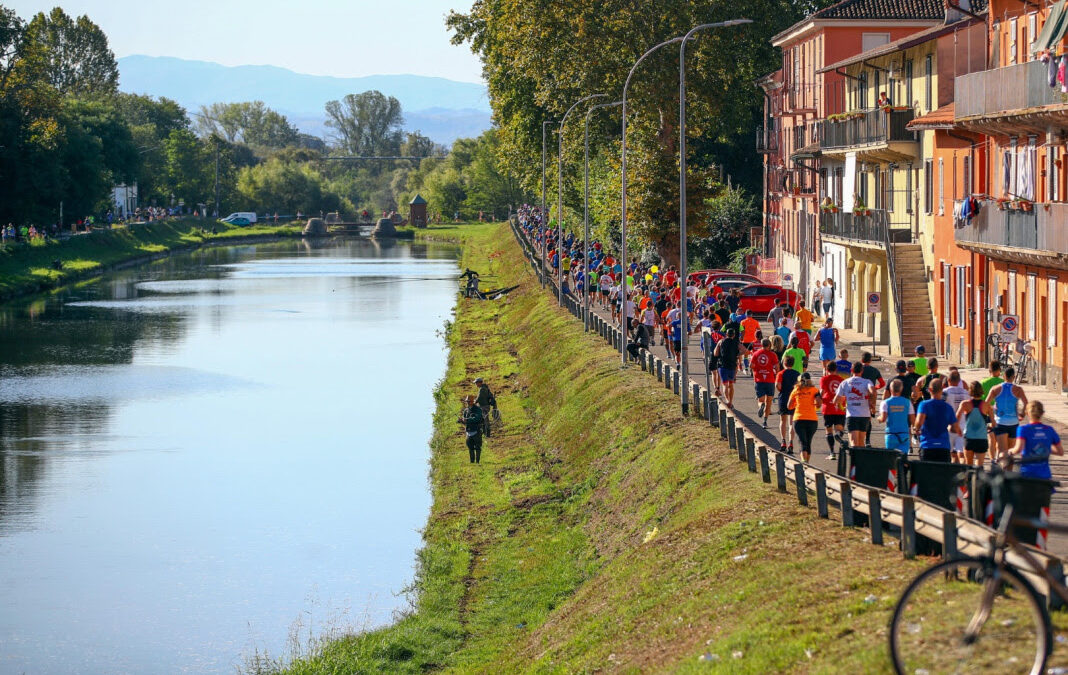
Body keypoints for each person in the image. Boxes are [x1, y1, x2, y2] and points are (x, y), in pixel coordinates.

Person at [1008, 401, 1063, 480]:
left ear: (1027, 413)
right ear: (1042, 413)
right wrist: (1045, 447)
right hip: (1045, 476)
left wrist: (1009, 451)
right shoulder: (1049, 430)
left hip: (1028, 474)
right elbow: (1060, 452)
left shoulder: (1023, 429)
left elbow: (1018, 449)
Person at [913, 379, 960, 463]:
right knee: (942, 474)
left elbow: (919, 422)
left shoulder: (924, 405)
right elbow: (955, 428)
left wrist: (915, 429)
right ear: (942, 390)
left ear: (929, 390)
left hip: (927, 446)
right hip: (943, 447)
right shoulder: (948, 407)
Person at [986, 367, 1028, 461]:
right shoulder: (1018, 389)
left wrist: (992, 415)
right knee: (1009, 452)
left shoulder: (995, 389)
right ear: (1014, 377)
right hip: (1013, 422)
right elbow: (1026, 403)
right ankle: (1008, 472)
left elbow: (986, 404)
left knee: (1002, 451)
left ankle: (1001, 471)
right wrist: (1022, 414)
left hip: (1000, 422)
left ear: (1004, 376)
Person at [835, 362, 875, 449]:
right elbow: (873, 391)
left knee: (854, 443)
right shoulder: (867, 382)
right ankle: (861, 462)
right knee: (861, 443)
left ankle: (854, 462)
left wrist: (841, 404)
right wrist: (872, 404)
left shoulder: (845, 382)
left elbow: (836, 399)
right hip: (864, 415)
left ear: (851, 370)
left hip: (852, 415)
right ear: (862, 371)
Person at [957, 381, 993, 467]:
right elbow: (993, 423)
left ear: (970, 391)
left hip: (969, 438)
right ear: (981, 391)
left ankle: (969, 479)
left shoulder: (965, 404)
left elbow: (956, 419)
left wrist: (958, 430)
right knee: (979, 466)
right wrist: (988, 427)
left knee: (968, 465)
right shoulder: (986, 405)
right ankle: (977, 479)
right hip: (981, 438)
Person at [788, 373, 821, 461]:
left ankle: (804, 463)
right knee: (808, 442)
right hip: (812, 419)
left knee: (802, 441)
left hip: (799, 419)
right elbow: (819, 403)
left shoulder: (796, 390)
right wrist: (815, 405)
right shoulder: (815, 390)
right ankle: (807, 463)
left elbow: (789, 406)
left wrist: (796, 403)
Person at [878, 379, 915, 453]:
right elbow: (913, 420)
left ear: (890, 389)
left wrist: (878, 418)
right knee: (903, 459)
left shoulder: (885, 403)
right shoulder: (907, 402)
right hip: (904, 434)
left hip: (891, 435)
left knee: (891, 460)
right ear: (901, 389)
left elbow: (883, 419)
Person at [750, 338, 779, 428]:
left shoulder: (756, 354)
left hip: (759, 379)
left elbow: (751, 365)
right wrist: (776, 374)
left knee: (760, 400)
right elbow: (777, 367)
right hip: (769, 380)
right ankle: (765, 421)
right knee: (769, 402)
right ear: (770, 345)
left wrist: (756, 369)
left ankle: (761, 405)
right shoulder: (772, 354)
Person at [820, 361, 846, 460]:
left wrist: (818, 400)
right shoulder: (841, 380)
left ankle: (832, 452)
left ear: (827, 370)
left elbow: (822, 392)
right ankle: (838, 436)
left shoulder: (824, 379)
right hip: (839, 407)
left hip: (827, 407)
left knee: (828, 430)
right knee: (839, 428)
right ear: (836, 369)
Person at [942, 371, 970, 463]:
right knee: (960, 454)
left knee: (950, 454)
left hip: (948, 426)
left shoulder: (945, 393)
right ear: (959, 381)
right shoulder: (966, 393)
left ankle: (952, 472)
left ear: (948, 380)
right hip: (962, 426)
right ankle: (962, 472)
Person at [714, 328, 744, 409]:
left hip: (723, 365)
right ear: (734, 335)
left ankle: (727, 400)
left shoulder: (721, 341)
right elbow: (745, 351)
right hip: (732, 365)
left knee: (725, 384)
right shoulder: (736, 343)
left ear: (726, 334)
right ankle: (730, 401)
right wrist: (737, 354)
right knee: (731, 384)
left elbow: (715, 353)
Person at [776, 355, 800, 453]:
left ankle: (783, 441)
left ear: (784, 363)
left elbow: (778, 385)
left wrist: (781, 391)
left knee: (783, 420)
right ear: (793, 363)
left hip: (783, 397)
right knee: (791, 422)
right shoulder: (797, 374)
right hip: (794, 398)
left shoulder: (781, 373)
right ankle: (791, 443)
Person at [459, 395, 485, 464]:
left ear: (473, 401)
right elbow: (465, 421)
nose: (468, 403)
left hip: (477, 431)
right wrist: (461, 420)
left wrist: (466, 420)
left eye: (469, 401)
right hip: (468, 431)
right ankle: (472, 462)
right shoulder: (466, 410)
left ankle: (477, 462)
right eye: (467, 401)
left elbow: (476, 419)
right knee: (470, 447)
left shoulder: (478, 409)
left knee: (478, 447)